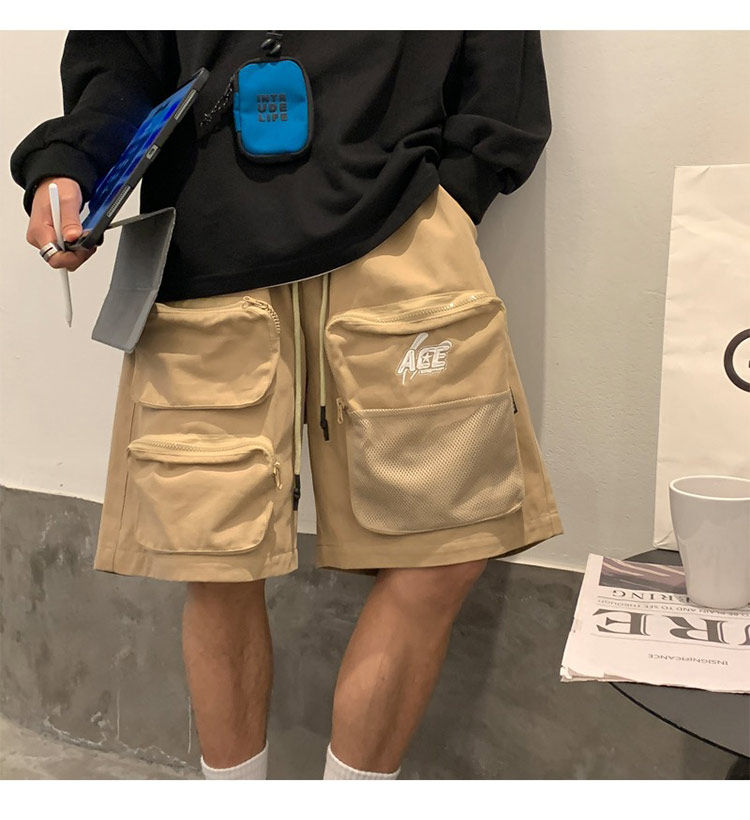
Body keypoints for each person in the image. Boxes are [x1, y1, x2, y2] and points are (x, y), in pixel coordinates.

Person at [11, 30, 563, 780]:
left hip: (403, 228)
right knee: (216, 557)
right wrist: (72, 163)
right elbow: (121, 55)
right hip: (210, 242)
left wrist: (459, 192)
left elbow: (501, 57)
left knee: (449, 541)